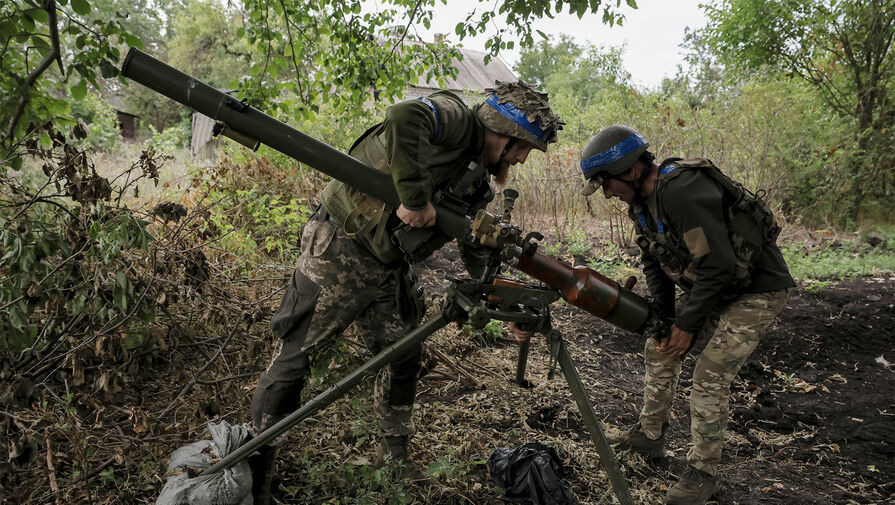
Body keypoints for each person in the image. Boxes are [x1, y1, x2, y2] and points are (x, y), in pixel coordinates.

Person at [248, 81, 564, 503]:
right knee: (294, 360)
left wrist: (495, 287)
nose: (522, 159)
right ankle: (253, 470)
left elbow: (469, 236)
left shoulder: (477, 181)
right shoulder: (454, 117)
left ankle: (393, 457)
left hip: (389, 264)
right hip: (341, 247)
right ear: (503, 132)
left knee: (403, 356)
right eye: (523, 148)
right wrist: (415, 200)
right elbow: (403, 116)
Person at [578, 125, 794, 505]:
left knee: (709, 375)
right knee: (658, 347)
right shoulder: (641, 205)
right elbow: (653, 263)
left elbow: (718, 265)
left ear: (630, 170)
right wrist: (664, 320)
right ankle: (650, 436)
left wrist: (687, 325)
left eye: (606, 182)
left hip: (756, 290)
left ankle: (702, 473)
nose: (607, 191)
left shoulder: (681, 192)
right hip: (719, 287)